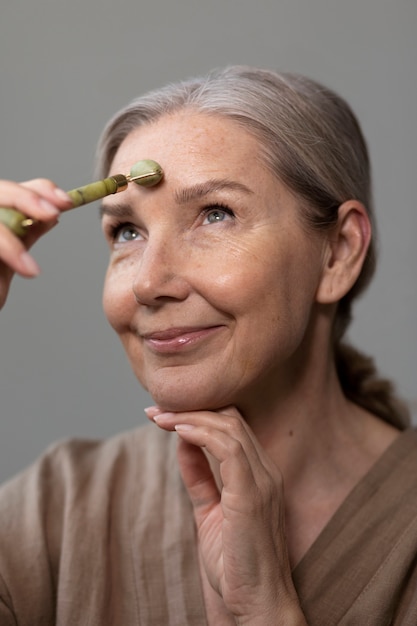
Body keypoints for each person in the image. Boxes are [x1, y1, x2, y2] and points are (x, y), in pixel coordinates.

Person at [0, 65, 415, 625]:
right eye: (127, 231)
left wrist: (268, 614)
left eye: (215, 215)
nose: (149, 283)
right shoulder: (57, 508)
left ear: (338, 252)